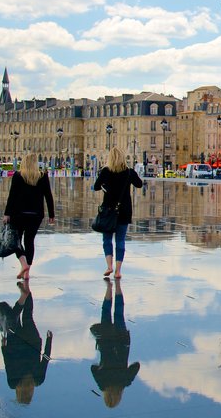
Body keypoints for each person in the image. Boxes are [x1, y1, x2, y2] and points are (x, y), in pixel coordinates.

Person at [0, 281, 52, 405]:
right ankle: (24, 295)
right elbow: (8, 363)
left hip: (32, 342)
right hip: (16, 344)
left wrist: (49, 340)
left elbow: (46, 358)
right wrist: (3, 347)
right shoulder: (13, 383)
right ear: (18, 393)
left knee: (28, 316)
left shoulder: (38, 380)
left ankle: (27, 291)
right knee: (11, 320)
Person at [3, 151, 55, 281]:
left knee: (16, 242)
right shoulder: (43, 176)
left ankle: (23, 264)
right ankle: (27, 273)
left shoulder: (18, 176)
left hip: (18, 214)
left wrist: (6, 213)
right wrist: (51, 214)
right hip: (36, 215)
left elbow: (12, 196)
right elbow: (48, 196)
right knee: (29, 241)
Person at [93, 147, 143, 279]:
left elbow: (96, 186)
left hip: (108, 210)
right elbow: (139, 184)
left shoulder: (106, 171)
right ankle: (118, 271)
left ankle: (109, 266)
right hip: (124, 210)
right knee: (120, 240)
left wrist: (106, 188)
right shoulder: (129, 172)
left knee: (107, 239)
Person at [91, 279, 141, 408]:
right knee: (105, 312)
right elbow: (93, 368)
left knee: (119, 312)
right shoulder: (102, 384)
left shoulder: (126, 381)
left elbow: (136, 366)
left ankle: (117, 287)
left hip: (121, 340)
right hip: (105, 341)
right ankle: (109, 288)